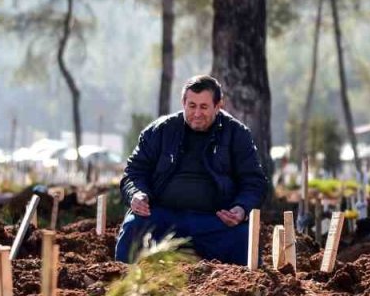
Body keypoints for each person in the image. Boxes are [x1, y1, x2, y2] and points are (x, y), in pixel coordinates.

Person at [115, 75, 268, 264]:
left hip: (213, 220)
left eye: (204, 107)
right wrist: (136, 194)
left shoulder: (237, 134)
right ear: (183, 103)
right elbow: (133, 173)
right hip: (162, 215)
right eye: (192, 106)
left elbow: (254, 182)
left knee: (243, 238)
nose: (197, 113)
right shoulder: (159, 130)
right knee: (133, 227)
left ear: (219, 105)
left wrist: (241, 208)